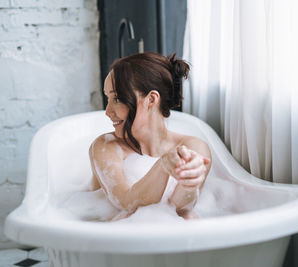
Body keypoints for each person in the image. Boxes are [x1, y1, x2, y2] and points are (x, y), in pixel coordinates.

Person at [89, 52, 211, 220]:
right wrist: (163, 165)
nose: (108, 112)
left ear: (151, 100)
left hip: (164, 234)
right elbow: (125, 202)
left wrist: (190, 183)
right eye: (107, 98)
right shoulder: (106, 146)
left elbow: (179, 209)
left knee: (190, 217)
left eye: (117, 99)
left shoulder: (194, 147)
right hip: (110, 236)